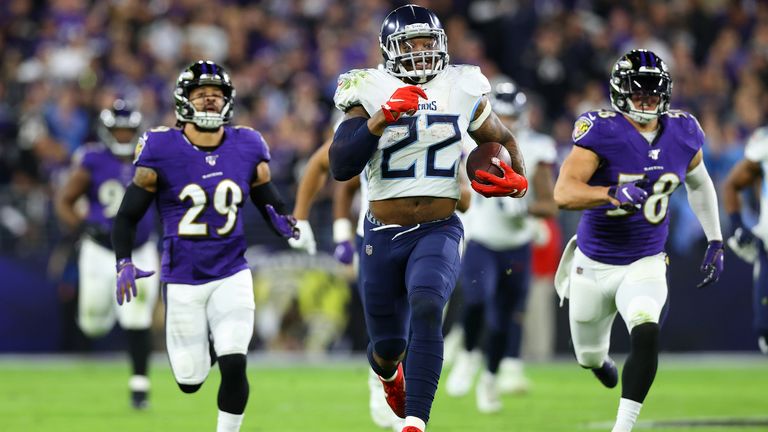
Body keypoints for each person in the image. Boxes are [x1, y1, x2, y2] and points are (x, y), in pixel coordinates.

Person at [329, 5, 527, 432]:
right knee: (386, 348)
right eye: (410, 44)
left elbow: (501, 139)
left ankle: (416, 421)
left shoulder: (462, 84)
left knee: (427, 304)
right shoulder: (366, 86)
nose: (420, 52)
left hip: (439, 225)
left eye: (427, 43)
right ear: (388, 49)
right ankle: (388, 375)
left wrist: (519, 179)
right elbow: (341, 165)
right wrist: (382, 118)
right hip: (381, 233)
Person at [110, 60, 299, 432]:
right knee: (189, 381)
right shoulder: (161, 147)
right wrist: (123, 261)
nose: (211, 101)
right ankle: (209, 341)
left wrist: (282, 216)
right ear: (184, 101)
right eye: (202, 95)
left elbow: (268, 196)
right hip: (183, 276)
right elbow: (127, 215)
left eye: (217, 95)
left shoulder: (247, 143)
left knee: (234, 362)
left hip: (232, 271)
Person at [553, 49, 724, 432]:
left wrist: (715, 239)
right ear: (619, 91)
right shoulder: (602, 130)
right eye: (638, 90)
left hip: (644, 261)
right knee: (587, 355)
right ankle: (599, 363)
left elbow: (700, 184)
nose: (646, 98)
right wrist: (610, 193)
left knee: (646, 328)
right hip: (593, 263)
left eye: (653, 90)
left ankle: (623, 427)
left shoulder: (684, 131)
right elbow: (563, 193)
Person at [445, 82, 558, 413]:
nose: (505, 119)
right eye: (501, 112)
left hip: (516, 243)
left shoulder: (537, 147)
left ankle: (490, 380)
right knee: (477, 300)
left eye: (510, 114)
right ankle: (467, 355)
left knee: (503, 320)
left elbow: (550, 204)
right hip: (481, 237)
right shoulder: (470, 140)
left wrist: (523, 206)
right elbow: (458, 180)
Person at [54, 98, 159, 410]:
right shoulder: (93, 160)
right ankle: (102, 311)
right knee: (94, 323)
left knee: (139, 317)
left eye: (129, 131)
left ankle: (139, 388)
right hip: (100, 252)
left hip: (139, 249)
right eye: (120, 131)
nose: (125, 136)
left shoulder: (151, 158)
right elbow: (64, 200)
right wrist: (84, 228)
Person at [722, 128, 768, 354]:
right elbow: (731, 184)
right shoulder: (764, 144)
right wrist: (737, 224)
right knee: (765, 331)